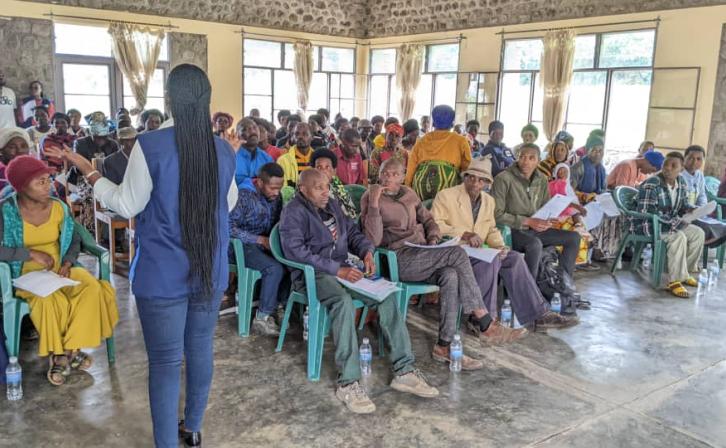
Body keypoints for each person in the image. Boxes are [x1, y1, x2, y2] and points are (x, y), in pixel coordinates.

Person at [46, 63, 238, 447]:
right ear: (207, 99)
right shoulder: (221, 148)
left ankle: (166, 443)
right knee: (200, 350)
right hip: (209, 270)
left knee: (166, 364)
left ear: (168, 99)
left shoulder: (150, 146)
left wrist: (90, 172)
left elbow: (127, 204)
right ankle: (193, 429)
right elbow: (228, 204)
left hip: (162, 274)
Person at [279, 169, 438, 414]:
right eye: (318, 188)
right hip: (315, 274)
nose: (326, 192)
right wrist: (336, 270)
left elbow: (352, 233)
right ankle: (348, 382)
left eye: (327, 186)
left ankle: (404, 370)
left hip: (344, 268)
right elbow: (296, 252)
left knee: (387, 294)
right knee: (342, 303)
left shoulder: (331, 204)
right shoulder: (293, 212)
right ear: (303, 189)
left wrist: (366, 250)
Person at [361, 159, 527, 358]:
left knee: (450, 275)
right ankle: (485, 322)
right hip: (397, 259)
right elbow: (373, 239)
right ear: (378, 174)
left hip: (422, 252)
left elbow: (429, 219)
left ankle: (444, 346)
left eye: (393, 174)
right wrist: (373, 203)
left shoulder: (409, 194)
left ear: (402, 176)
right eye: (384, 173)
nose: (387, 177)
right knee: (457, 253)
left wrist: (433, 238)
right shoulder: (370, 197)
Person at [0, 155, 118, 385]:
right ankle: (60, 355)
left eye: (48, 179)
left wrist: (67, 261)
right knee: (49, 299)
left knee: (92, 288)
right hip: (24, 272)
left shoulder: (59, 207)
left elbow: (73, 239)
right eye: (40, 182)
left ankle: (71, 349)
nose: (48, 185)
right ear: (22, 187)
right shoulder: (5, 212)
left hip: (60, 267)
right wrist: (29, 254)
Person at [431, 158, 577, 330]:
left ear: (487, 183)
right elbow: (435, 224)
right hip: (455, 251)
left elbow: (491, 228)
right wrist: (464, 233)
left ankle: (537, 315)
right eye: (471, 177)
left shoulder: (487, 201)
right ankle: (484, 320)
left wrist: (501, 247)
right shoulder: (447, 196)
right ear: (465, 177)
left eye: (481, 180)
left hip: (477, 250)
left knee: (514, 258)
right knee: (490, 261)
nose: (475, 183)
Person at [491, 143, 581, 279]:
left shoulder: (542, 180)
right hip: (512, 231)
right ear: (517, 158)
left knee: (573, 238)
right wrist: (528, 221)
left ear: (538, 161)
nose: (526, 161)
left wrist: (549, 219)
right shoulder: (503, 179)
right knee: (534, 244)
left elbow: (545, 206)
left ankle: (563, 281)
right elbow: (496, 214)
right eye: (522, 157)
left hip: (535, 229)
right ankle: (529, 291)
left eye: (531, 158)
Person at [630, 152, 705, 298]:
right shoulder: (652, 184)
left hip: (668, 223)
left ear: (681, 168)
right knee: (678, 237)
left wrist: (691, 208)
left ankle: (685, 273)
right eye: (665, 165)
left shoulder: (681, 182)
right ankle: (674, 281)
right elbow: (647, 213)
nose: (668, 169)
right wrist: (674, 223)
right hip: (649, 225)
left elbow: (682, 205)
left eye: (673, 166)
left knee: (698, 233)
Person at [229, 162, 288, 335]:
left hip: (265, 243)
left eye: (279, 188)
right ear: (260, 183)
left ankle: (279, 304)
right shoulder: (243, 196)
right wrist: (259, 240)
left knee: (290, 262)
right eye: (272, 188)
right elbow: (227, 226)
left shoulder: (276, 197)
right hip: (240, 246)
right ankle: (262, 317)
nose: (276, 192)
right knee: (273, 269)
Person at [405, 105, 471, 201]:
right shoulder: (460, 140)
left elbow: (411, 167)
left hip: (420, 185)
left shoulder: (422, 140)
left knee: (422, 214)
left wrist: (408, 188)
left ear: (433, 122)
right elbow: (467, 168)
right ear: (452, 123)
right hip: (447, 185)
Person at [681, 145, 726, 248]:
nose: (694, 162)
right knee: (705, 227)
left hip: (697, 213)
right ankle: (698, 244)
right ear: (685, 158)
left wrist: (701, 208)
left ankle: (701, 245)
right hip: (684, 213)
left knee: (721, 227)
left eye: (698, 159)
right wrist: (692, 209)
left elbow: (702, 196)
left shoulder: (699, 175)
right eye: (691, 158)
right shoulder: (679, 175)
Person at [311, 148, 358, 219]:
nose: (323, 171)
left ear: (334, 171)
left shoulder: (337, 186)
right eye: (319, 167)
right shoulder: (306, 189)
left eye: (327, 167)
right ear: (313, 170)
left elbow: (351, 213)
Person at [233, 118, 273, 191]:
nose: (252, 131)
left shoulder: (267, 159)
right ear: (238, 135)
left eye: (255, 127)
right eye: (245, 129)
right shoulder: (231, 156)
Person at [277, 122, 313, 187]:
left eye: (305, 134)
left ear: (312, 137)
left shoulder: (317, 159)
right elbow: (283, 188)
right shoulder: (283, 160)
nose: (300, 137)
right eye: (297, 134)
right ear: (292, 137)